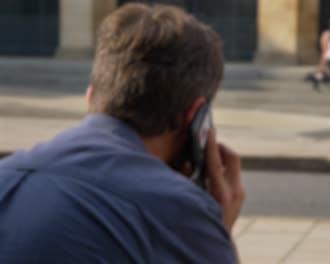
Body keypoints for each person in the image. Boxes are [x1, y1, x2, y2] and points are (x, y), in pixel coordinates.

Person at [0, 3, 244, 263]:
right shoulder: (178, 212)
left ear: (91, 97)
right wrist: (220, 229)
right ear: (196, 116)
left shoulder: (7, 177)